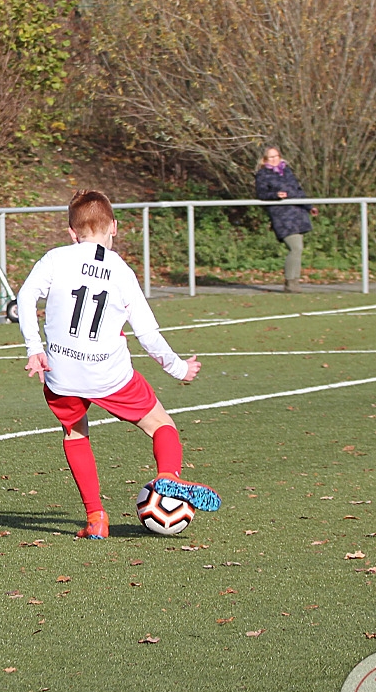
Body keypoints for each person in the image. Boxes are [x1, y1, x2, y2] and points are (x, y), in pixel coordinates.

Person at [16, 189, 220, 539]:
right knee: (161, 424)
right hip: (109, 374)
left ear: (72, 232)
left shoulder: (55, 259)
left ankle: (96, 518)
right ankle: (168, 475)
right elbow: (148, 334)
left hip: (60, 371)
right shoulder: (120, 271)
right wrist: (179, 368)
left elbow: (24, 296)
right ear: (114, 226)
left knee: (75, 433)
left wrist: (34, 348)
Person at [254, 145, 318, 293]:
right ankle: (290, 282)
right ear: (265, 159)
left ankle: (294, 282)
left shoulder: (287, 171)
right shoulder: (262, 174)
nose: (274, 159)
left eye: (276, 156)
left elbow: (298, 192)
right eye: (270, 157)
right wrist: (275, 195)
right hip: (282, 215)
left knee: (298, 249)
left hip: (298, 214)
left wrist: (309, 207)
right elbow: (261, 194)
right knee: (296, 248)